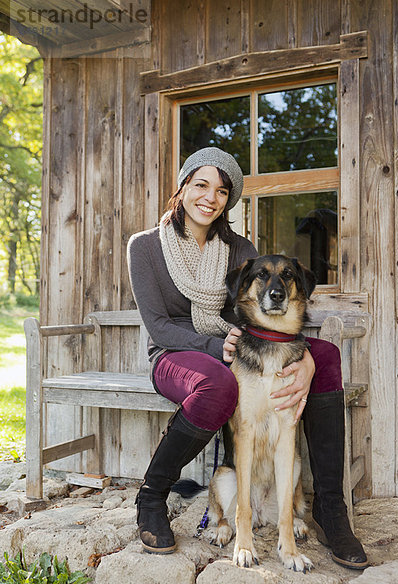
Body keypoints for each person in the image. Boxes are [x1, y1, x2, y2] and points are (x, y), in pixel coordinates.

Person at [127, 147, 368, 570]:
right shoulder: (146, 247)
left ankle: (330, 510)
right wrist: (216, 347)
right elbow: (159, 325)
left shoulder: (238, 248)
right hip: (176, 354)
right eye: (200, 185)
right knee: (218, 384)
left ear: (228, 199)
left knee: (325, 354)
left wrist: (307, 363)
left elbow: (257, 312)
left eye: (221, 191)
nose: (210, 197)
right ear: (183, 187)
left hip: (236, 345)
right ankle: (152, 496)